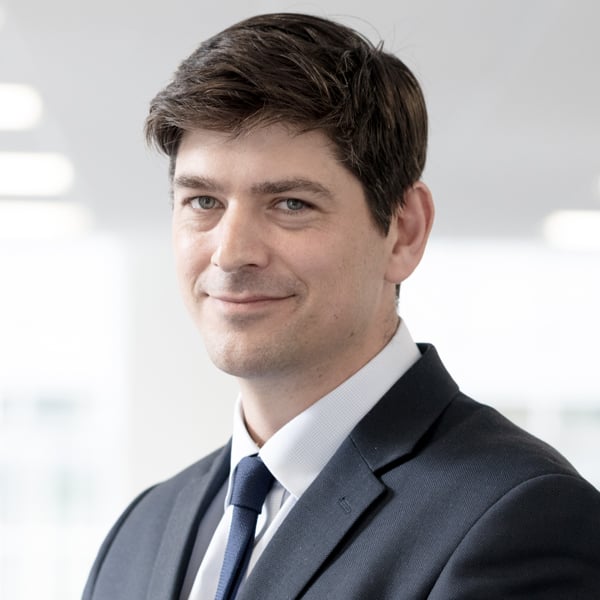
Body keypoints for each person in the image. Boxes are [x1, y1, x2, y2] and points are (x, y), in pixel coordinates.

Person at [83, 13, 600, 600]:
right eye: (203, 201)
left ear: (403, 232)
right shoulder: (141, 531)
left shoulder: (521, 518)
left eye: (290, 204)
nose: (231, 252)